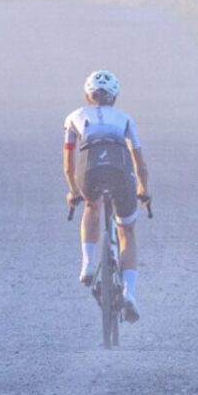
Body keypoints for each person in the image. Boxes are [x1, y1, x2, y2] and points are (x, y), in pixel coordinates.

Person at [63, 70, 150, 322]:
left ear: (87, 95)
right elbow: (139, 163)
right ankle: (130, 293)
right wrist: (144, 189)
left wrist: (73, 190)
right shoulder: (125, 119)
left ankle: (88, 265)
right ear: (115, 97)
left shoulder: (74, 117)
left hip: (88, 172)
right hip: (121, 174)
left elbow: (68, 165)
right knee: (128, 231)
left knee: (92, 205)